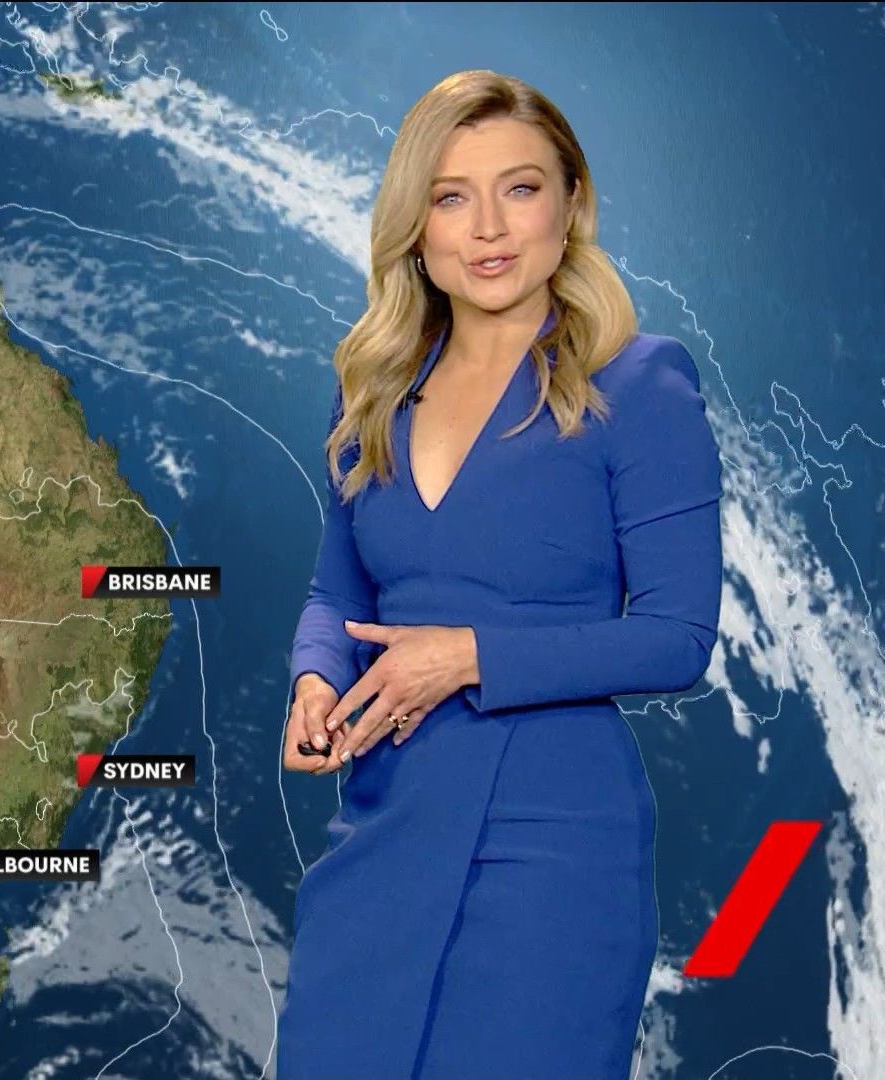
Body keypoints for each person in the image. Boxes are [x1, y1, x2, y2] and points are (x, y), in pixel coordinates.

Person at [274, 70, 723, 1079]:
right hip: (385, 822)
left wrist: (469, 657)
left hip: (552, 846)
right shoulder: (373, 393)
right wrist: (314, 681)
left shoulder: (640, 384)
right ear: (416, 225)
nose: (487, 228)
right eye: (451, 196)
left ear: (571, 205)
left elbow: (678, 638)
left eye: (519, 189)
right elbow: (337, 595)